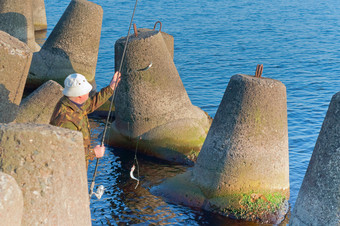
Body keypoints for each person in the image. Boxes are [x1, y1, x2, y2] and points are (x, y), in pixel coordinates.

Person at [50, 71, 121, 170]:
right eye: (87, 91)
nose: (89, 92)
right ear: (79, 95)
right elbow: (68, 150)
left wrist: (111, 88)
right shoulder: (65, 120)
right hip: (70, 170)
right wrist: (94, 153)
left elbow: (91, 104)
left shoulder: (73, 103)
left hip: (78, 167)